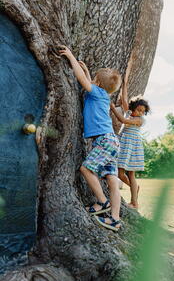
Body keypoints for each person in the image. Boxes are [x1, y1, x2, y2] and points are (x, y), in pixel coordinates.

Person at [59, 46, 122, 231]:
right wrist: (88, 73)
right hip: (112, 141)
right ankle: (115, 219)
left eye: (94, 80)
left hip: (104, 140)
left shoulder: (97, 93)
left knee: (86, 169)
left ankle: (102, 202)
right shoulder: (103, 95)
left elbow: (82, 81)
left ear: (98, 85)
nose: (91, 81)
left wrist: (71, 57)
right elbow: (89, 82)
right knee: (111, 179)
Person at [111, 87, 150, 209]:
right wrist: (125, 82)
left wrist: (112, 108)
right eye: (139, 110)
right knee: (120, 173)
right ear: (133, 108)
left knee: (131, 174)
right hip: (124, 145)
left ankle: (134, 202)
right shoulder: (129, 112)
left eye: (143, 111)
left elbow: (122, 120)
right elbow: (124, 98)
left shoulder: (139, 120)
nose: (140, 113)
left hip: (132, 147)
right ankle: (135, 187)